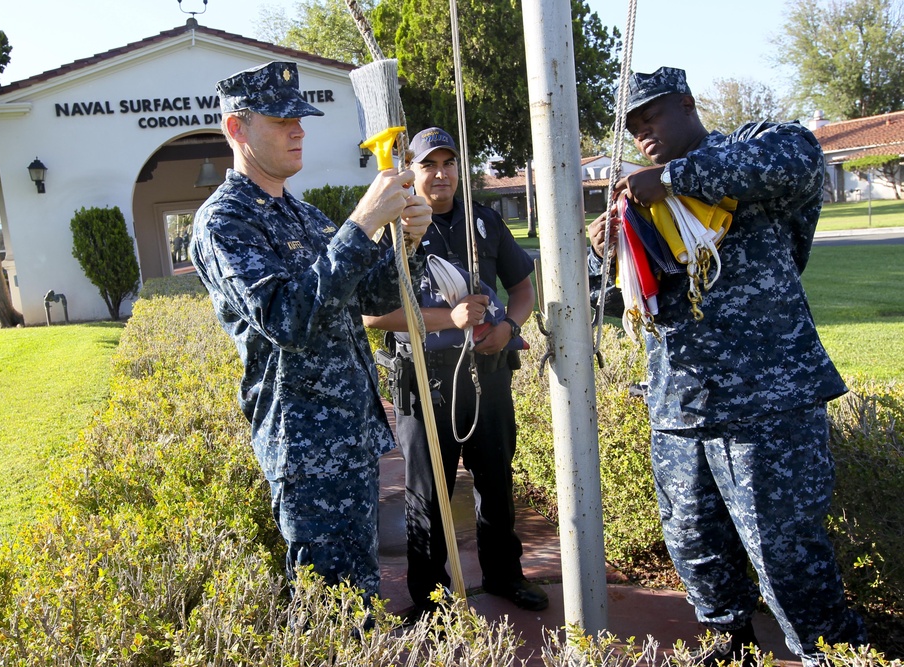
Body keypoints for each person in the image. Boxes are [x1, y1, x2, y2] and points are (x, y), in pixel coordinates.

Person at [587, 67, 866, 664]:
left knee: (785, 552)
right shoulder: (640, 196)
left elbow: (799, 159)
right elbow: (618, 301)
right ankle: (730, 643)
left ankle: (833, 656)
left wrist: (672, 179)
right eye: (633, 129)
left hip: (768, 404)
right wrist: (605, 249)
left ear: (687, 104)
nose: (643, 135)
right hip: (680, 406)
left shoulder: (748, 151)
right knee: (695, 545)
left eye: (651, 118)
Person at [188, 61, 432, 605]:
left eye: (300, 118)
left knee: (360, 599)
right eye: (280, 120)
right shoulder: (224, 222)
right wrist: (362, 225)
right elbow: (285, 319)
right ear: (237, 128)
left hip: (350, 439)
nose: (298, 129)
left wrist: (407, 244)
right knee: (332, 613)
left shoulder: (303, 213)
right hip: (305, 451)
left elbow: (374, 296)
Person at [364, 127, 547, 614]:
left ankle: (505, 577)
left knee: (496, 485)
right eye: (428, 164)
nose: (440, 173)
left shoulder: (484, 223)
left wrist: (509, 325)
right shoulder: (393, 230)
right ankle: (429, 600)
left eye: (448, 163)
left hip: (486, 377)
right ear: (412, 170)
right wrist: (451, 319)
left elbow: (524, 289)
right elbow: (371, 315)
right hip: (425, 381)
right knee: (428, 495)